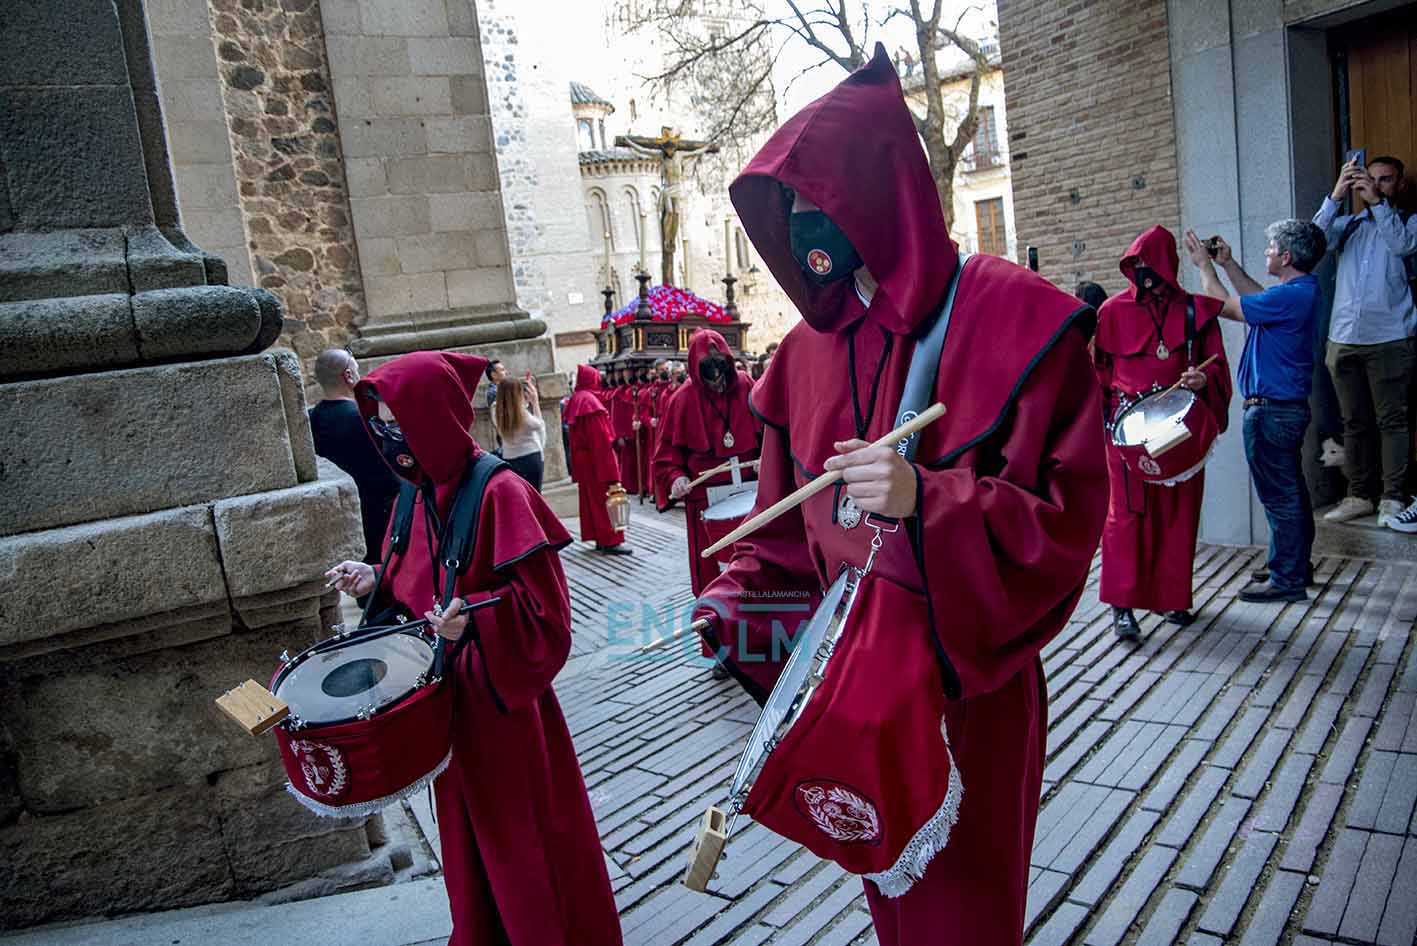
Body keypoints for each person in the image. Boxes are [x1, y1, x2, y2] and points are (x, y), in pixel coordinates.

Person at [693, 47, 1107, 946]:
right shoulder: (803, 352)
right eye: (789, 205)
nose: (804, 224)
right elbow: (781, 532)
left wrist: (930, 497)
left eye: (819, 199)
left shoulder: (1011, 314)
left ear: (879, 193)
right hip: (853, 681)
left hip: (965, 680)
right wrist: (736, 601)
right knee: (889, 896)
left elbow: (1066, 518)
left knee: (965, 910)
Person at [323, 350, 622, 946]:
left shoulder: (503, 492)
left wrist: (476, 622)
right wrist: (374, 576)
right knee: (468, 843)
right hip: (444, 706)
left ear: (432, 416)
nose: (390, 435)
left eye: (399, 421)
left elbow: (546, 617)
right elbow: (413, 584)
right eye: (382, 423)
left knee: (522, 845)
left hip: (501, 710)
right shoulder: (413, 495)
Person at [1093, 227, 1232, 641]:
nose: (1144, 272)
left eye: (1149, 263)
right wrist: (1101, 422)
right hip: (1125, 430)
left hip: (1177, 429)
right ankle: (1122, 607)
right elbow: (1098, 373)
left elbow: (1216, 365)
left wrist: (1202, 380)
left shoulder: (1194, 311)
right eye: (1136, 264)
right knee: (1125, 515)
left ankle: (1171, 598)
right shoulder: (1112, 312)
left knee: (1178, 512)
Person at [1184, 222, 1325, 602]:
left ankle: (1288, 579)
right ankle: (1293, 564)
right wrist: (1228, 264)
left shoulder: (1291, 296)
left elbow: (1223, 306)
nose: (1266, 253)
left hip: (1272, 412)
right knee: (1290, 492)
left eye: (1270, 248)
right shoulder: (1297, 293)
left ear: (1286, 257)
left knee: (1281, 498)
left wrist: (1204, 266)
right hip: (1283, 410)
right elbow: (1257, 298)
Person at [1312, 155, 1417, 527]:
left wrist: (1377, 203)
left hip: (1390, 337)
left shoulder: (1408, 222)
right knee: (1353, 421)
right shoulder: (1348, 224)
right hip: (1344, 338)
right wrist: (1336, 196)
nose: (1374, 185)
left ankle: (1393, 497)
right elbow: (1310, 244)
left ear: (1398, 184)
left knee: (1392, 421)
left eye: (1384, 180)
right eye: (1368, 179)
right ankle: (1359, 495)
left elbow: (1403, 246)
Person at [653, 328, 762, 597]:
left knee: (760, 568)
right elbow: (665, 458)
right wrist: (677, 477)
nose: (716, 375)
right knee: (714, 578)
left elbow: (772, 431)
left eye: (720, 362)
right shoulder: (683, 399)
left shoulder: (746, 385)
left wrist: (766, 458)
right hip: (706, 501)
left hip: (753, 493)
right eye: (707, 365)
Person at [307, 348, 400, 570]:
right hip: (382, 516)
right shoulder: (364, 419)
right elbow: (391, 469)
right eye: (357, 370)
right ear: (348, 375)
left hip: (345, 519)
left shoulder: (311, 420)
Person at [565, 364, 632, 554]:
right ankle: (610, 541)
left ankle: (599, 537)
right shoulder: (589, 402)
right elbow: (600, 441)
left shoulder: (579, 398)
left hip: (585, 461)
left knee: (592, 502)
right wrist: (612, 471)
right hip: (596, 461)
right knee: (605, 499)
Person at [493, 372, 546, 492]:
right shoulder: (523, 415)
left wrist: (525, 402)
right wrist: (535, 402)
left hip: (509, 458)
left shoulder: (496, 411)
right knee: (534, 495)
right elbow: (539, 425)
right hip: (530, 457)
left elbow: (514, 410)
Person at [608, 365, 640, 497]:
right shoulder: (618, 393)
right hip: (625, 434)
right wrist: (619, 435)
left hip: (637, 431)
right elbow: (616, 416)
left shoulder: (635, 390)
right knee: (627, 463)